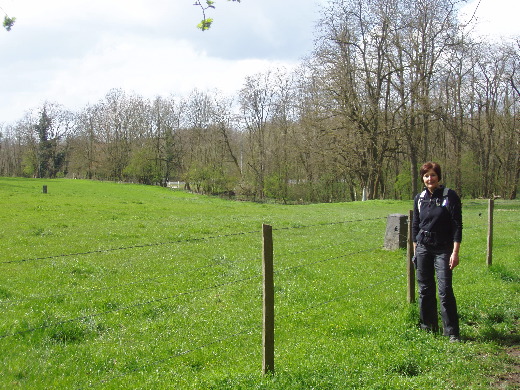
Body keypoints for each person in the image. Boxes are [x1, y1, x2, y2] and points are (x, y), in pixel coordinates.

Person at [412, 162, 462, 342]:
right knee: (425, 289)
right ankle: (428, 327)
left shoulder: (450, 196)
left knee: (445, 290)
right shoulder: (419, 198)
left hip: (443, 248)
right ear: (422, 178)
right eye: (426, 176)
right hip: (424, 246)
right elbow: (415, 226)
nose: (429, 179)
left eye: (433, 175)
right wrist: (416, 251)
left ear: (438, 177)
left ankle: (452, 332)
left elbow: (457, 225)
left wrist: (455, 252)